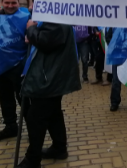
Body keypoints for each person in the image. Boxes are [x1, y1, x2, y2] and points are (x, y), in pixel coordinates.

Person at [18, 14, 79, 168]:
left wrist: (31, 29)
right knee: (53, 114)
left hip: (50, 77)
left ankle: (32, 159)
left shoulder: (57, 18)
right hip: (51, 75)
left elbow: (46, 41)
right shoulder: (56, 16)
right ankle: (59, 148)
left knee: (35, 117)